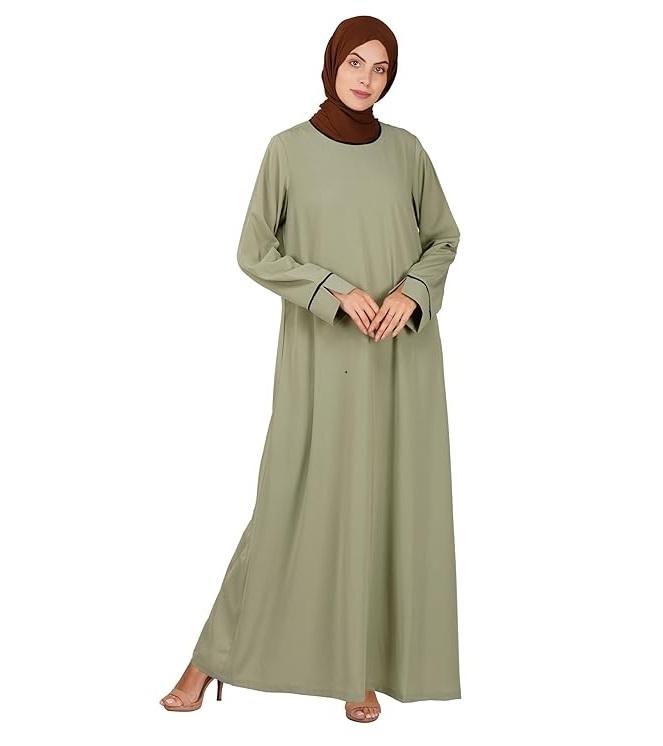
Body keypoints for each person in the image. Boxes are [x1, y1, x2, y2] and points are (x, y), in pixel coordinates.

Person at [160, 15, 461, 723]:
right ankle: (207, 659)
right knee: (290, 506)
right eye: (355, 62)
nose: (366, 79)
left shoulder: (408, 151)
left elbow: (443, 238)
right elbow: (254, 250)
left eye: (381, 68)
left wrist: (411, 293)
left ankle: (358, 670)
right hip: (323, 357)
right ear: (331, 64)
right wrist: (333, 290)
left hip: (401, 357)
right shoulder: (288, 150)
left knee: (383, 506)